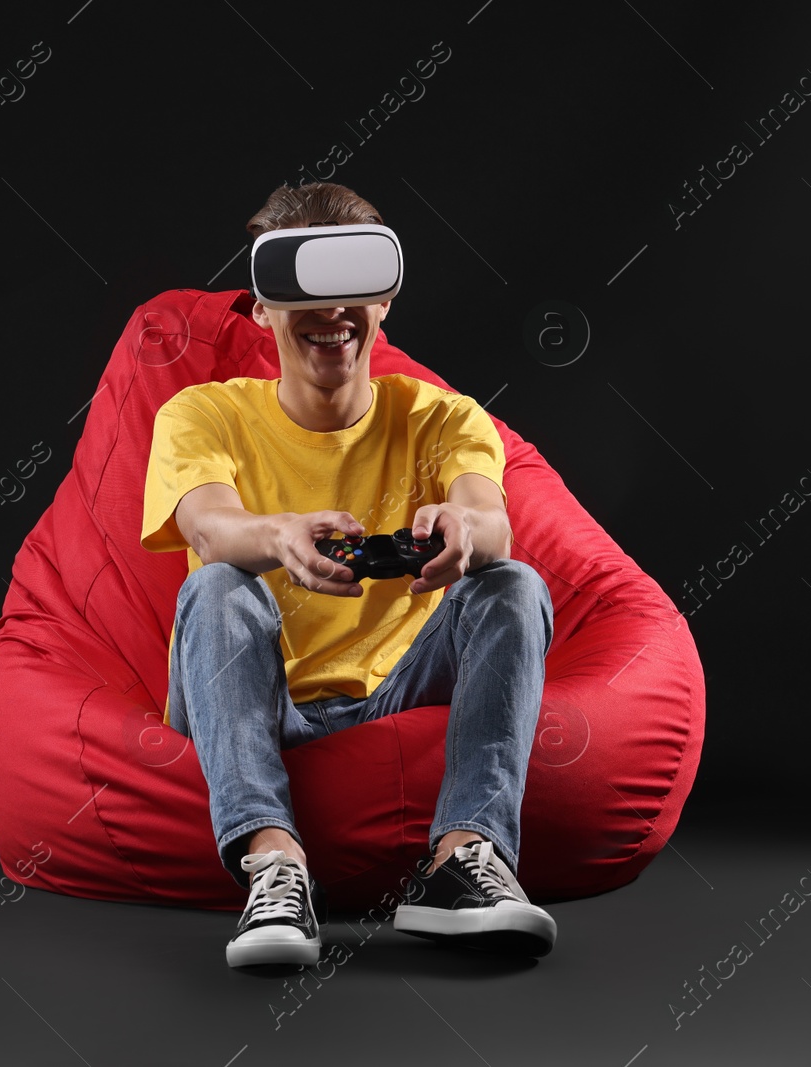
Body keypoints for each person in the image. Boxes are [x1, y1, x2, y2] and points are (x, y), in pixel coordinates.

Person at [140, 181, 556, 969]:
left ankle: (461, 863)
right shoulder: (203, 413)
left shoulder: (441, 416)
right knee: (216, 583)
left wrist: (466, 530)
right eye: (302, 289)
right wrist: (278, 539)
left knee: (514, 582)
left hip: (394, 684)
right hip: (254, 692)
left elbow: (490, 515)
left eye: (354, 287)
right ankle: (275, 867)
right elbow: (206, 525)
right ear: (260, 308)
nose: (332, 313)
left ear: (385, 302)